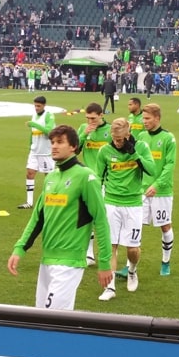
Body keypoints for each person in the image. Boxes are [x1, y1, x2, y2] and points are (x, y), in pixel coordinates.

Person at [8, 125, 113, 310]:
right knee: (44, 320)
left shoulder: (86, 177)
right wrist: (20, 249)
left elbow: (101, 221)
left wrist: (104, 263)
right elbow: (37, 218)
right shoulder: (51, 177)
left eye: (60, 142)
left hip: (70, 263)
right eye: (52, 142)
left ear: (73, 146)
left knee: (51, 319)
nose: (54, 146)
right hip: (47, 259)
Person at [96, 118, 156, 301]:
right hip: (111, 203)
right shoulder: (105, 151)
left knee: (132, 249)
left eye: (121, 139)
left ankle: (132, 270)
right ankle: (110, 287)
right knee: (111, 246)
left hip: (133, 205)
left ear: (128, 134)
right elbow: (98, 178)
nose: (117, 142)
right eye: (114, 139)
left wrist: (135, 155)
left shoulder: (141, 147)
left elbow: (152, 170)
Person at [136, 103, 177, 276]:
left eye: (147, 118)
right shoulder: (141, 136)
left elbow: (170, 165)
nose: (144, 121)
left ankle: (166, 261)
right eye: (143, 118)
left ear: (157, 118)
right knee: (135, 226)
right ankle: (130, 266)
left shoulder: (168, 138)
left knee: (165, 226)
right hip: (142, 190)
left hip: (162, 192)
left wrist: (157, 185)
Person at [76, 102, 111, 265]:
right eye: (87, 118)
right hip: (87, 180)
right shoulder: (84, 128)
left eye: (93, 118)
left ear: (101, 115)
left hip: (106, 181)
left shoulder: (110, 130)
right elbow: (75, 150)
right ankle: (89, 254)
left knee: (102, 218)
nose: (90, 121)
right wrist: (84, 134)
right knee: (87, 216)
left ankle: (107, 254)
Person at [18, 95, 56, 209]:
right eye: (35, 105)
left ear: (44, 105)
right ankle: (29, 202)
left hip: (45, 152)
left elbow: (49, 131)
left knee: (49, 177)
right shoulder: (34, 115)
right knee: (29, 173)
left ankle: (51, 200)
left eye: (38, 106)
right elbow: (33, 132)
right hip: (34, 151)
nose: (36, 108)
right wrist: (30, 144)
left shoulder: (49, 116)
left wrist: (34, 124)